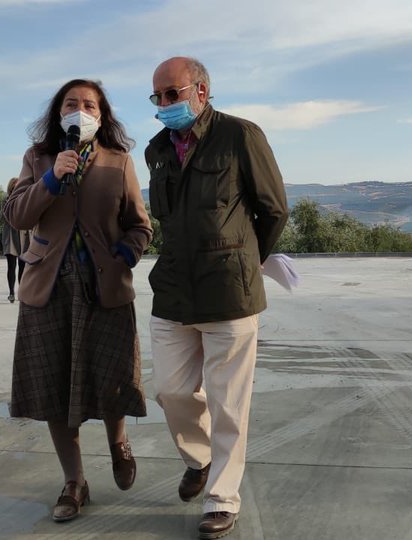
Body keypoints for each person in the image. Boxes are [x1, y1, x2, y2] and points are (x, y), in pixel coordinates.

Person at [144, 57, 288, 540]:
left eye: (172, 93)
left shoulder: (240, 135)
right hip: (173, 291)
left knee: (229, 404)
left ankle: (222, 498)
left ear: (201, 91)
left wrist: (247, 258)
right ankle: (200, 458)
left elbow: (273, 209)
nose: (164, 104)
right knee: (171, 391)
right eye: (157, 97)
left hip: (229, 290)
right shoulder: (156, 150)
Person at [2, 78, 152, 522]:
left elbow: (140, 225)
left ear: (102, 116)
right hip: (49, 289)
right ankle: (74, 482)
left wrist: (127, 252)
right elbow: (17, 214)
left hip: (103, 286)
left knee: (113, 376)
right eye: (72, 103)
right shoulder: (39, 158)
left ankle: (118, 442)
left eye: (89, 104)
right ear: (58, 112)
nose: (80, 110)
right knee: (54, 388)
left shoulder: (119, 161)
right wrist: (51, 178)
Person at [1, 177, 30, 303]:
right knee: (11, 266)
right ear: (10, 188)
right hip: (11, 237)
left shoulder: (25, 198)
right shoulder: (5, 200)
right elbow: (3, 217)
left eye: (18, 186)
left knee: (23, 267)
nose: (16, 188)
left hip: (24, 236)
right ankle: (11, 292)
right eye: (14, 187)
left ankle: (22, 292)